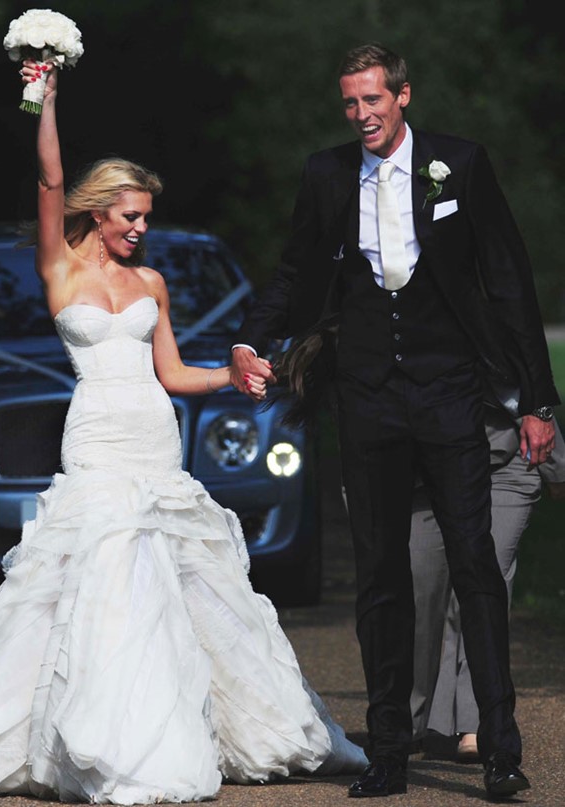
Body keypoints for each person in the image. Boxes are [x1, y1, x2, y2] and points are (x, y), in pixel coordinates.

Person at [0, 59, 367, 803]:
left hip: (154, 434)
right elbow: (49, 181)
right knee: (101, 573)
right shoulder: (60, 269)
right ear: (98, 213)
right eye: (130, 217)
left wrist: (234, 375)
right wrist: (45, 99)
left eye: (146, 217)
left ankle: (189, 718)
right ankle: (102, 734)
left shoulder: (150, 283)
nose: (141, 229)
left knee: (175, 581)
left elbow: (175, 372)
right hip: (96, 435)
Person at [230, 42, 560, 799]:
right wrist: (252, 337)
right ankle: (388, 749)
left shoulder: (461, 165)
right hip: (369, 397)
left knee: (476, 565)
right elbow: (294, 269)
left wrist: (539, 402)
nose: (362, 115)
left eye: (373, 100)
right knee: (379, 577)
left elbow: (509, 282)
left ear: (403, 96)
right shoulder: (326, 174)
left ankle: (501, 747)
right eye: (350, 104)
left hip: (451, 392)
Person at [410, 408, 565, 760]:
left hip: (510, 461)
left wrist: (556, 461)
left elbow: (532, 377)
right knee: (434, 592)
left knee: (485, 583)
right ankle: (428, 720)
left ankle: (475, 722)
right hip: (436, 463)